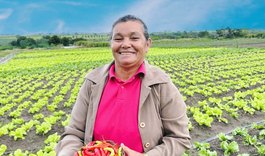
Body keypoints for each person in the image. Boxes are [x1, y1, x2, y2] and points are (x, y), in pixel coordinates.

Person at [56, 14, 191, 156]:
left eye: (134, 38)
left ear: (147, 44)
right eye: (118, 39)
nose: (126, 44)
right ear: (111, 44)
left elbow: (179, 138)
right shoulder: (92, 82)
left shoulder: (161, 85)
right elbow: (74, 133)